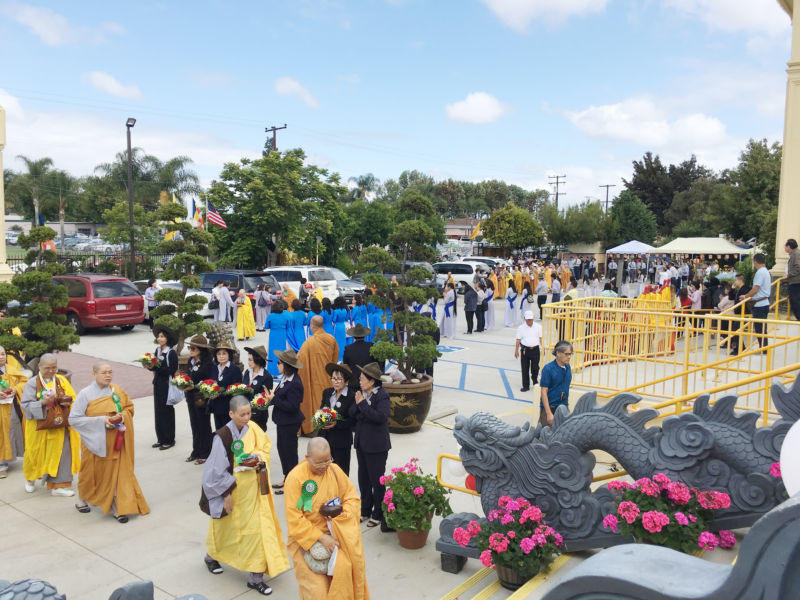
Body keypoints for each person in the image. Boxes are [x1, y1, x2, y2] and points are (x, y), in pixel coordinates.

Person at [202, 396, 290, 596]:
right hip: (233, 492)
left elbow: (265, 447)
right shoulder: (222, 436)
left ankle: (255, 577)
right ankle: (211, 556)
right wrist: (226, 494)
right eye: (242, 414)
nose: (246, 417)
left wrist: (258, 458)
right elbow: (214, 471)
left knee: (256, 532)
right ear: (231, 414)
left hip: (254, 492)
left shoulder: (253, 428)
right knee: (225, 529)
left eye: (248, 413)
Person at [284, 437, 369, 600]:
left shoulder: (335, 471)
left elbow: (352, 498)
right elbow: (294, 518)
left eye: (327, 460)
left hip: (336, 538)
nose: (324, 466)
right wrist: (321, 537)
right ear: (307, 457)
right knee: (317, 592)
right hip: (306, 541)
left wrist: (341, 515)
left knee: (344, 580)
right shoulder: (296, 478)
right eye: (319, 462)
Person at [70, 363, 150, 522]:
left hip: (116, 442)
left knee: (118, 473)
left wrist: (122, 417)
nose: (108, 375)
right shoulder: (85, 394)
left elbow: (129, 408)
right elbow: (74, 419)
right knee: (90, 473)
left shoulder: (116, 390)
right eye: (104, 372)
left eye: (110, 372)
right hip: (95, 442)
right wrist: (102, 421)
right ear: (94, 374)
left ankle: (117, 506)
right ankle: (82, 498)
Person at [20, 354, 80, 496]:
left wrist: (66, 402)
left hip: (59, 425)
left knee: (62, 454)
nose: (51, 371)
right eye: (47, 368)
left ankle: (58, 486)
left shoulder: (61, 380)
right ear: (39, 367)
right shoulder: (32, 383)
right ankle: (30, 479)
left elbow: (73, 398)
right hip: (39, 427)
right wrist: (43, 402)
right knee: (35, 454)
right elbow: (25, 405)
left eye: (54, 368)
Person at [350, 362, 391, 530]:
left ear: (372, 381)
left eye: (362, 379)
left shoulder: (382, 395)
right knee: (363, 479)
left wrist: (362, 405)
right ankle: (365, 509)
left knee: (377, 481)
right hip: (362, 443)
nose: (359, 381)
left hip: (376, 446)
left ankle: (378, 513)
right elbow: (352, 413)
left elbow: (380, 417)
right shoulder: (361, 394)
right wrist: (358, 404)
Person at [267, 348, 305, 493]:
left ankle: (292, 482)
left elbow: (292, 406)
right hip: (282, 421)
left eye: (280, 363)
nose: (277, 365)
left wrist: (274, 399)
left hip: (290, 422)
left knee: (290, 452)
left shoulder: (295, 383)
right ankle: (287, 477)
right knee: (282, 450)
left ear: (287, 366)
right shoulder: (285, 378)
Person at [298, 315, 340, 436]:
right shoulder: (331, 339)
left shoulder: (309, 342)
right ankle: (329, 425)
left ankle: (316, 428)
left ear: (312, 326)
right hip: (328, 378)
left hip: (314, 379)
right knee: (329, 402)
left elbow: (299, 361)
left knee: (317, 402)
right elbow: (335, 358)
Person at [318, 363, 355, 475]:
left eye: (339, 379)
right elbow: (321, 410)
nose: (335, 382)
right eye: (333, 378)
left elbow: (352, 420)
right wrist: (321, 419)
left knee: (340, 472)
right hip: (325, 439)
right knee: (325, 471)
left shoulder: (352, 396)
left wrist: (336, 423)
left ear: (346, 381)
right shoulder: (327, 392)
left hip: (341, 441)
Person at [184, 335, 215, 465]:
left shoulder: (207, 364)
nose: (190, 350)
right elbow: (188, 376)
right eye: (189, 348)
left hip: (201, 398)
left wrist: (195, 386)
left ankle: (205, 453)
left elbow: (209, 382)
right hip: (191, 397)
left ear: (200, 350)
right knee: (194, 425)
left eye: (193, 348)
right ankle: (196, 451)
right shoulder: (190, 361)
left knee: (203, 425)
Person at [148, 324, 179, 450]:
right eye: (158, 336)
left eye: (162, 336)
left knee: (167, 412)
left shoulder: (171, 353)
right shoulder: (157, 350)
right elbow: (155, 367)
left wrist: (155, 368)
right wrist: (150, 367)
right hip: (158, 384)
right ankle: (160, 439)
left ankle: (169, 439)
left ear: (167, 338)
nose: (159, 339)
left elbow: (171, 370)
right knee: (158, 412)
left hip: (167, 385)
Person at [0, 346, 24, 479]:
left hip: (10, 407)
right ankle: (1, 465)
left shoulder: (11, 370)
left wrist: (15, 389)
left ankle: (7, 458)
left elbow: (24, 382)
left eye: (3, 354)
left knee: (10, 432)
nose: (1, 357)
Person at [539, 340, 573, 427]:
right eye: (566, 354)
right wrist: (548, 413)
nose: (569, 357)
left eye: (570, 354)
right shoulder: (548, 369)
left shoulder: (568, 367)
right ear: (558, 353)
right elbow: (543, 391)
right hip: (550, 408)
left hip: (563, 407)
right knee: (547, 433)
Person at [742, 253, 772, 349]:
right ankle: (763, 347)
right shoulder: (766, 271)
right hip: (764, 302)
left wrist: (745, 296)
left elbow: (755, 289)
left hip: (759, 304)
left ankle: (763, 348)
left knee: (760, 328)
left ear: (755, 261)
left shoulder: (760, 272)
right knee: (762, 328)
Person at [243, 345, 274, 433]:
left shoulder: (266, 377)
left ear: (258, 360)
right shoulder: (247, 372)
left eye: (250, 360)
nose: (248, 362)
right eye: (248, 359)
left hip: (258, 416)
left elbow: (266, 400)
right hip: (245, 413)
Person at [515, 311, 543, 393]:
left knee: (535, 367)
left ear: (533, 318)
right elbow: (518, 339)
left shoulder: (538, 327)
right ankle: (525, 386)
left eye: (530, 319)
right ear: (525, 319)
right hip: (525, 350)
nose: (529, 321)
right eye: (528, 320)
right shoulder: (521, 328)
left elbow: (540, 339)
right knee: (525, 368)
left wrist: (543, 348)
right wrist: (516, 350)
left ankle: (534, 379)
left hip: (535, 349)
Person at [265, 299, 290, 376]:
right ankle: (282, 371)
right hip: (283, 335)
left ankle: (272, 371)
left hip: (273, 335)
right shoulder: (285, 315)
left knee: (272, 353)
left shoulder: (270, 316)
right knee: (282, 352)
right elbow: (288, 326)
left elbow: (266, 326)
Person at [332, 297, 350, 362]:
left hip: (337, 327)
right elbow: (346, 318)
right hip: (343, 326)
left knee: (337, 342)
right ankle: (342, 357)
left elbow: (334, 320)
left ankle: (338, 357)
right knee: (343, 342)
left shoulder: (336, 311)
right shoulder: (345, 310)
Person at [786, 239, 800, 321]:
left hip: (796, 281)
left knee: (795, 300)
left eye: (785, 246)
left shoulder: (796, 254)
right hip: (794, 281)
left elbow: (798, 267)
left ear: (789, 246)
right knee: (795, 300)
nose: (785, 248)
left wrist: (789, 275)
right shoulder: (794, 254)